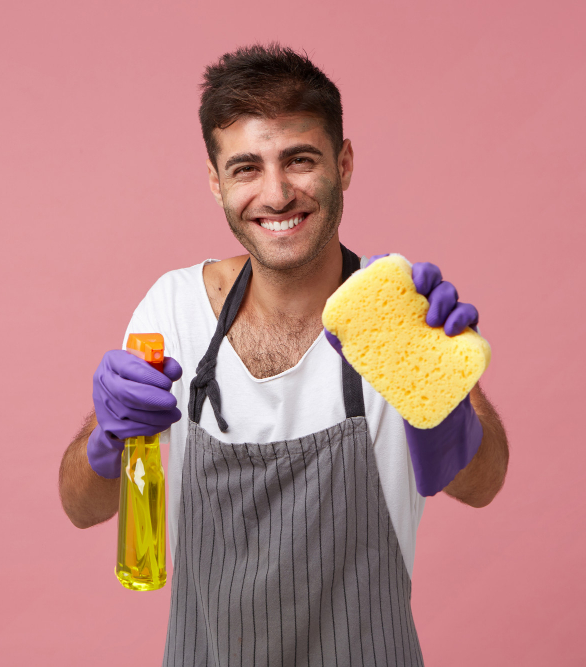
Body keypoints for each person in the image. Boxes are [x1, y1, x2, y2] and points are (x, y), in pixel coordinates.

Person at [58, 44, 509, 666]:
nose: (276, 194)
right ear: (216, 181)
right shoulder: (173, 310)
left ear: (343, 163)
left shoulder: (396, 317)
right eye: (246, 168)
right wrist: (107, 438)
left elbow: (482, 485)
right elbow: (82, 507)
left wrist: (446, 411)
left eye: (299, 160)